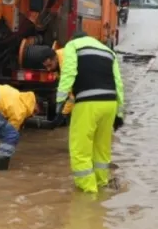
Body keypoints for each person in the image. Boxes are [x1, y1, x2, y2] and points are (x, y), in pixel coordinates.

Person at [45, 35, 124, 193]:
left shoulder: (73, 46)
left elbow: (69, 73)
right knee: (101, 149)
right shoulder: (108, 51)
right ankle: (102, 184)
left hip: (88, 104)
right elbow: (118, 83)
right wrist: (119, 113)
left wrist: (60, 100)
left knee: (80, 150)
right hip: (110, 104)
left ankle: (88, 193)